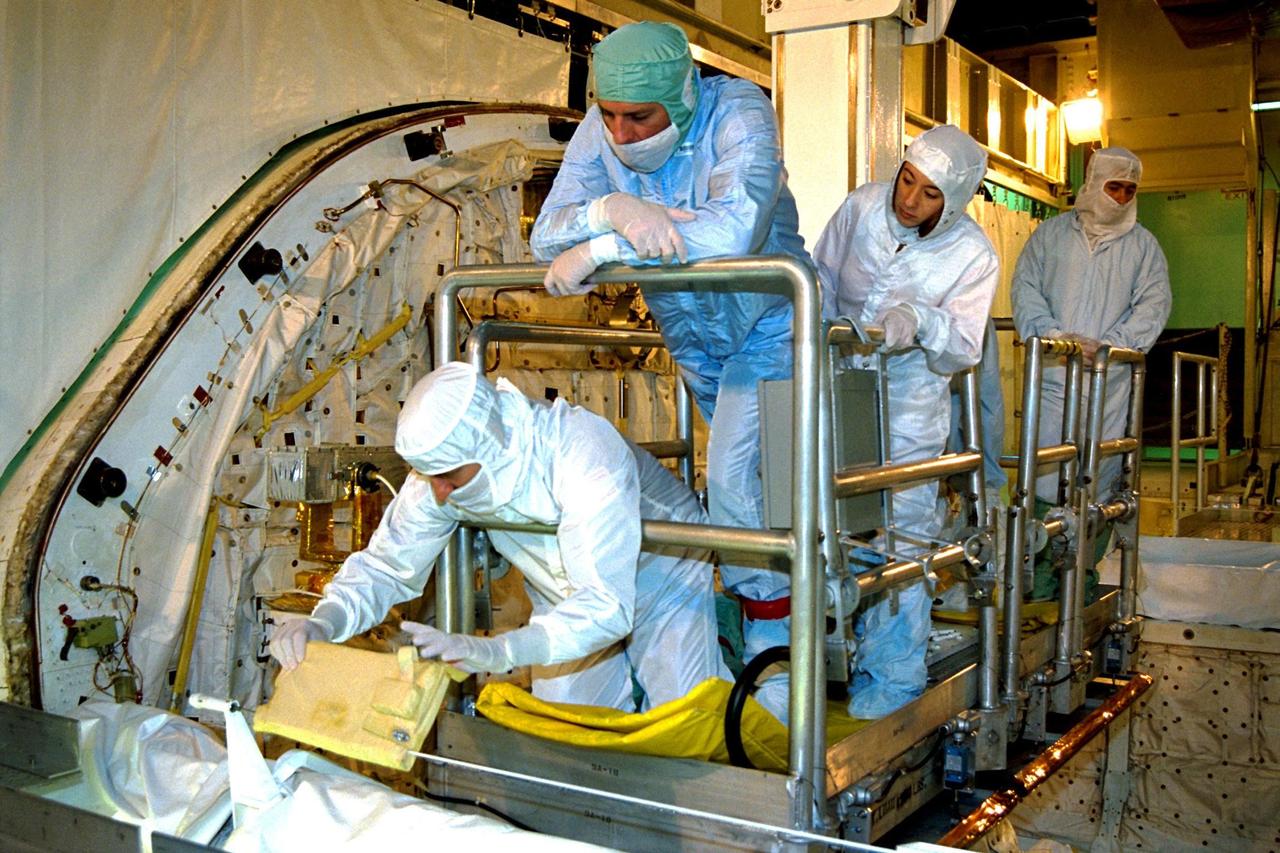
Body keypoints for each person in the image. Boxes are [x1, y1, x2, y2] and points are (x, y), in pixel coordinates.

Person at [529, 21, 809, 722]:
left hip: (769, 321)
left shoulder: (738, 112)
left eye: (639, 117)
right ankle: (777, 614)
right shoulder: (602, 128)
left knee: (738, 488)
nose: (622, 133)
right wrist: (614, 211)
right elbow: (544, 231)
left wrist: (599, 250)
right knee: (763, 487)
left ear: (682, 96)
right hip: (690, 326)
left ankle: (775, 662)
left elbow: (734, 228)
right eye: (612, 115)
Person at [268, 362, 729, 712]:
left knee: (685, 721)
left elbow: (607, 606)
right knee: (571, 741)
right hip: (560, 596)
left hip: (663, 576)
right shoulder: (442, 471)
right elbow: (388, 565)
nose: (439, 492)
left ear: (484, 444)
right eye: (431, 477)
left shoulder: (581, 451)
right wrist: (325, 620)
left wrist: (500, 649)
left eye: (448, 477)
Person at [813, 124, 999, 718]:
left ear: (956, 201)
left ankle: (892, 681)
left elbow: (965, 346)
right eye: (907, 179)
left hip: (910, 404)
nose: (908, 199)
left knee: (903, 533)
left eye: (928, 194)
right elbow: (818, 272)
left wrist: (918, 321)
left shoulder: (972, 254)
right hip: (839, 386)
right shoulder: (863, 206)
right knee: (826, 520)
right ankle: (823, 656)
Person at [1011, 146, 1171, 600]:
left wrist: (1111, 345)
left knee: (1096, 479)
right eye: (1113, 187)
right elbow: (1025, 286)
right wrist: (1053, 336)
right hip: (1054, 378)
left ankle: (1079, 580)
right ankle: (1037, 584)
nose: (1120, 198)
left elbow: (1154, 303)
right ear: (1093, 184)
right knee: (1042, 477)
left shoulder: (1143, 246)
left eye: (1129, 190)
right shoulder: (1051, 237)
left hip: (1108, 383)